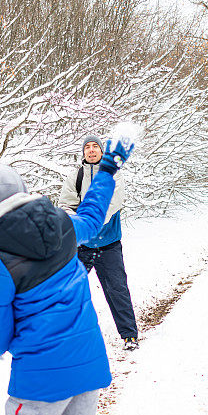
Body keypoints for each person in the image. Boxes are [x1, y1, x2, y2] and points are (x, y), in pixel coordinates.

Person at [0, 137, 134, 415]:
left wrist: (10, 341)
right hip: (88, 365)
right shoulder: (64, 225)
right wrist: (109, 169)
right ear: (23, 193)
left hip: (40, 381)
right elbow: (94, 213)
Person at [59, 135, 139, 351]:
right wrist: (74, 223)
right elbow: (66, 204)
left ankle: (129, 335)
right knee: (69, 290)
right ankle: (66, 338)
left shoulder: (114, 175)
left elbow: (112, 204)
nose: (91, 150)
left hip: (109, 245)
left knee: (117, 290)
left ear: (102, 152)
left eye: (95, 147)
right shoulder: (75, 176)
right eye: (87, 147)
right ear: (83, 152)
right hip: (81, 247)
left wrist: (89, 223)